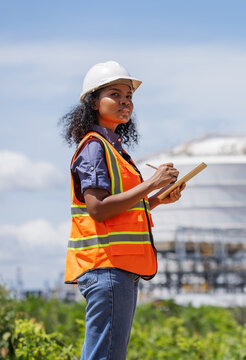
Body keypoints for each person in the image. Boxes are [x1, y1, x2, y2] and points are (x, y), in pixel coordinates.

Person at [59, 60, 184, 359]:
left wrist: (155, 200)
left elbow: (118, 212)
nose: (125, 102)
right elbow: (98, 209)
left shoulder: (114, 149)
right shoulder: (94, 146)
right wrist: (151, 183)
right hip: (108, 267)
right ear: (92, 100)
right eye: (114, 94)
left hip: (119, 268)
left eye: (128, 97)